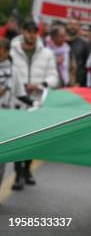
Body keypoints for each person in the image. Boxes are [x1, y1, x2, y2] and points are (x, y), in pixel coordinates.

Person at [9, 20, 59, 190]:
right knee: (17, 138)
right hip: (16, 101)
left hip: (36, 101)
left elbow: (54, 77)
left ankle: (27, 169)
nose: (31, 35)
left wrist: (41, 85)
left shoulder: (47, 54)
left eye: (34, 32)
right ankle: (17, 173)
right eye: (28, 31)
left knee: (33, 139)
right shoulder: (12, 51)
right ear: (22, 31)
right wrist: (19, 84)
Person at [0, 37, 34, 191]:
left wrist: (35, 104)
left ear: (7, 52)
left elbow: (20, 94)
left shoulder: (14, 71)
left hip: (6, 120)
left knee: (1, 159)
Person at [65, 17, 91, 86]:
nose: (72, 27)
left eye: (75, 25)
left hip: (76, 83)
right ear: (66, 25)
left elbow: (86, 66)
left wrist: (80, 82)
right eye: (70, 24)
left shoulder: (85, 44)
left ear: (79, 27)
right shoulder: (59, 41)